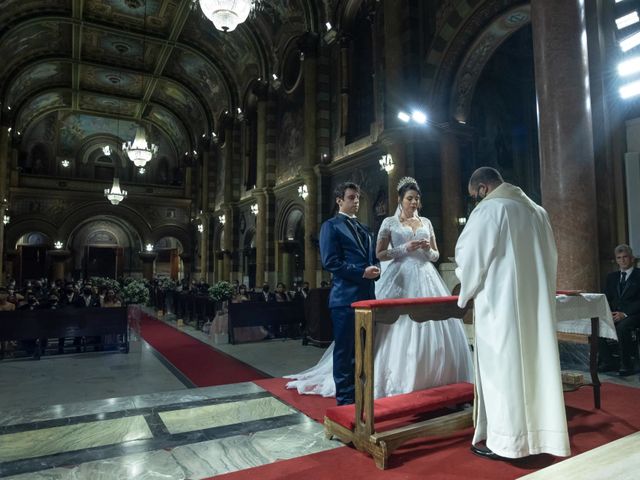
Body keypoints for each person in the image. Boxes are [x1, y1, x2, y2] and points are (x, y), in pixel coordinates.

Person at [286, 177, 472, 400]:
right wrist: (404, 248)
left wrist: (424, 252)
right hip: (354, 291)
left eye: (417, 198)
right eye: (410, 198)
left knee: (366, 344)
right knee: (349, 347)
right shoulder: (335, 226)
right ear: (400, 200)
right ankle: (347, 398)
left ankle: (418, 381)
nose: (414, 202)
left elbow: (431, 254)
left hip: (415, 278)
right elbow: (338, 260)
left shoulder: (370, 228)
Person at [455, 166, 569, 460]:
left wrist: (464, 291)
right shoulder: (538, 212)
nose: (474, 202)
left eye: (473, 196)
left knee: (505, 371)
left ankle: (509, 443)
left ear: (482, 188)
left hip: (501, 308)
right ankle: (542, 438)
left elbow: (471, 258)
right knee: (535, 368)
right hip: (536, 308)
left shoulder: (489, 210)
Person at [598, 244, 640, 376]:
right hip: (615, 313)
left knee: (622, 327)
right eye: (619, 258)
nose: (622, 260)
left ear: (632, 258)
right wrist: (608, 313)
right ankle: (608, 361)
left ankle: (626, 365)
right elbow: (606, 297)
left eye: (625, 257)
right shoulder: (612, 277)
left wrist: (625, 314)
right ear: (616, 260)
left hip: (635, 314)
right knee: (597, 325)